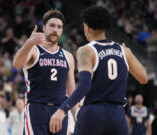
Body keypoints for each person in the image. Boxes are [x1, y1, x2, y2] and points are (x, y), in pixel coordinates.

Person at [49, 6, 148, 135]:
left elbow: (84, 85)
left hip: (93, 113)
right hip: (118, 116)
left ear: (87, 27)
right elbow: (144, 78)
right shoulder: (124, 51)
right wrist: (129, 54)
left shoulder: (86, 51)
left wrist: (62, 109)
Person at [13, 9, 76, 135]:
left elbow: (71, 90)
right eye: (52, 25)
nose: (55, 29)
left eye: (59, 27)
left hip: (60, 110)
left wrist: (77, 116)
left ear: (62, 31)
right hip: (37, 108)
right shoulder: (34, 50)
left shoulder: (68, 56)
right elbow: (16, 64)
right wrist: (29, 43)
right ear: (44, 28)